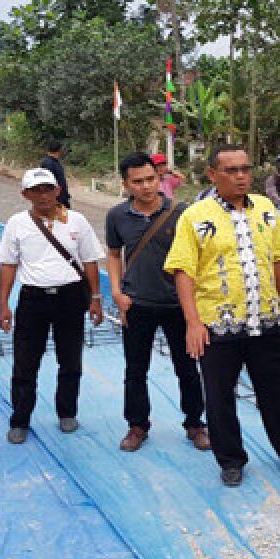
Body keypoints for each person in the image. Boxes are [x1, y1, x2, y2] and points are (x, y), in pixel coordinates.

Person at [164, 143, 280, 486]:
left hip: (266, 320)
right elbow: (183, 272)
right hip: (217, 326)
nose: (240, 176)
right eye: (231, 170)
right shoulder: (194, 216)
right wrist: (192, 323)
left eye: (246, 169)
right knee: (220, 397)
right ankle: (231, 460)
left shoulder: (266, 209)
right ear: (212, 174)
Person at [106, 152, 209, 452]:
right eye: (137, 182)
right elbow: (114, 254)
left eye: (151, 179)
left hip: (179, 305)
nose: (146, 187)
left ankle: (195, 424)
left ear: (159, 178)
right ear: (126, 184)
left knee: (188, 368)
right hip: (136, 303)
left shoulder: (183, 213)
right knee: (135, 369)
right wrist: (116, 291)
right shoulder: (117, 216)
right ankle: (137, 426)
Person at [0, 168, 105, 442]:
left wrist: (96, 298)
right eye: (35, 190)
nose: (43, 195)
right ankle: (20, 420)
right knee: (25, 362)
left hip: (70, 298)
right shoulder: (16, 224)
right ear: (25, 195)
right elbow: (8, 265)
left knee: (70, 359)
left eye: (47, 189)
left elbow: (90, 260)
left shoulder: (77, 221)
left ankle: (66, 412)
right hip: (33, 298)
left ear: (57, 190)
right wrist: (3, 304)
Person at [40, 140, 71, 209]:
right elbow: (47, 183)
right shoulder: (48, 163)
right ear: (59, 150)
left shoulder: (54, 162)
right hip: (56, 200)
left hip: (61, 198)